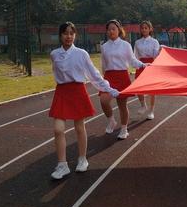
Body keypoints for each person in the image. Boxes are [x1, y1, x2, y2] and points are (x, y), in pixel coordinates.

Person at [49, 22, 120, 180]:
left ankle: (82, 159)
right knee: (58, 129)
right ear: (60, 35)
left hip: (77, 91)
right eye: (65, 33)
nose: (68, 36)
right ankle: (62, 165)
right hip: (62, 92)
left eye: (71, 33)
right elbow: (56, 71)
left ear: (75, 35)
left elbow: (93, 74)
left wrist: (108, 88)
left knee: (79, 127)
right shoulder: (54, 54)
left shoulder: (81, 53)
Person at [100, 19, 147, 139]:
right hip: (109, 77)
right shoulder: (104, 46)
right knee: (104, 101)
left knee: (122, 105)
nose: (111, 31)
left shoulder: (125, 45)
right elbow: (103, 64)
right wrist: (102, 78)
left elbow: (132, 60)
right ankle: (111, 120)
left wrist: (142, 65)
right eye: (109, 29)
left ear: (119, 30)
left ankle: (124, 129)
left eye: (113, 29)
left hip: (122, 76)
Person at [134, 20, 161, 120]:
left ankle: (151, 111)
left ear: (150, 29)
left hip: (151, 65)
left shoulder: (154, 42)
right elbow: (135, 56)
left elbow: (155, 55)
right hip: (141, 65)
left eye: (146, 28)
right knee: (138, 87)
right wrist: (137, 65)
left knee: (152, 89)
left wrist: (159, 51)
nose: (144, 29)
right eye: (142, 28)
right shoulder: (137, 42)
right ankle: (143, 105)